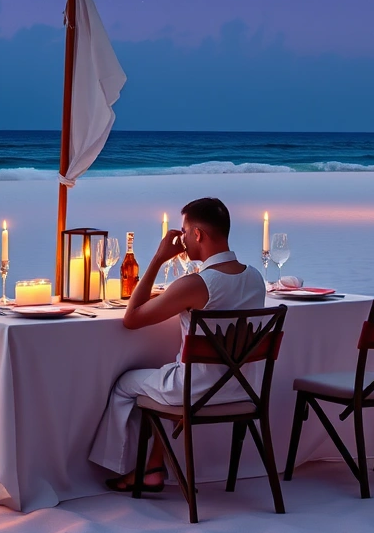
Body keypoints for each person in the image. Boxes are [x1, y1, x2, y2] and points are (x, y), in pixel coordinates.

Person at [89, 196, 267, 491]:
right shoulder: (255, 278)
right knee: (167, 378)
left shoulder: (196, 284)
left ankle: (108, 466)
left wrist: (158, 259)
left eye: (185, 231)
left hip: (194, 393)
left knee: (126, 383)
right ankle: (154, 467)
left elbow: (131, 318)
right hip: (243, 389)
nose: (182, 238)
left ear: (197, 234)